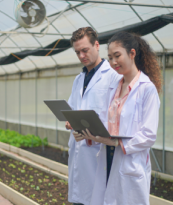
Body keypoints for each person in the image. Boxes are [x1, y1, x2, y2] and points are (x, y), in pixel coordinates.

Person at [81, 31, 161, 205]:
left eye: (117, 56)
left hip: (129, 161)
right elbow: (106, 122)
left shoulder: (147, 89)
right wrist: (89, 133)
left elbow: (148, 134)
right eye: (110, 58)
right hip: (108, 158)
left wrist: (118, 143)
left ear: (132, 53)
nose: (113, 62)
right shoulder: (114, 87)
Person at [66, 27, 121, 205]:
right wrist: (70, 121)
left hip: (99, 152)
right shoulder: (78, 79)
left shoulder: (112, 77)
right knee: (79, 198)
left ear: (96, 45)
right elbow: (73, 107)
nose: (81, 56)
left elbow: (116, 117)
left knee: (97, 198)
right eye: (77, 52)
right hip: (79, 148)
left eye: (85, 50)